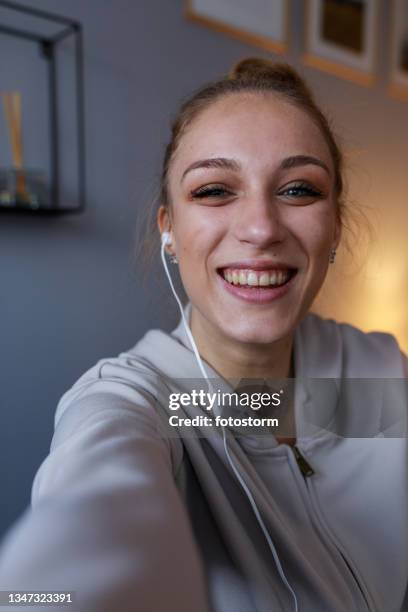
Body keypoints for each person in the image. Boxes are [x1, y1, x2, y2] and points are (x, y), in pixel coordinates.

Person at [0, 57, 407, 612]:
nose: (260, 228)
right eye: (215, 190)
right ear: (169, 228)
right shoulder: (139, 404)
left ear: (335, 223)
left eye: (298, 190)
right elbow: (68, 568)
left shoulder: (378, 369)